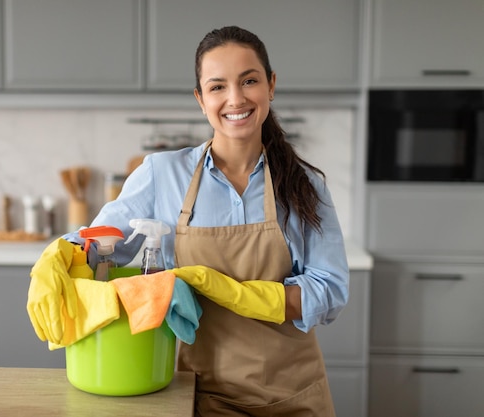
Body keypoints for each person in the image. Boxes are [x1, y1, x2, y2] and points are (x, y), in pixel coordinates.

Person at [33, 26, 349, 416]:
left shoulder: (305, 184)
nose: (235, 98)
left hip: (294, 395)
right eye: (217, 87)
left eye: (249, 81)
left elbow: (330, 290)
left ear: (271, 85)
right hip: (200, 395)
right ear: (201, 99)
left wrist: (232, 292)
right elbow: (102, 244)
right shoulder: (161, 175)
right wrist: (61, 256)